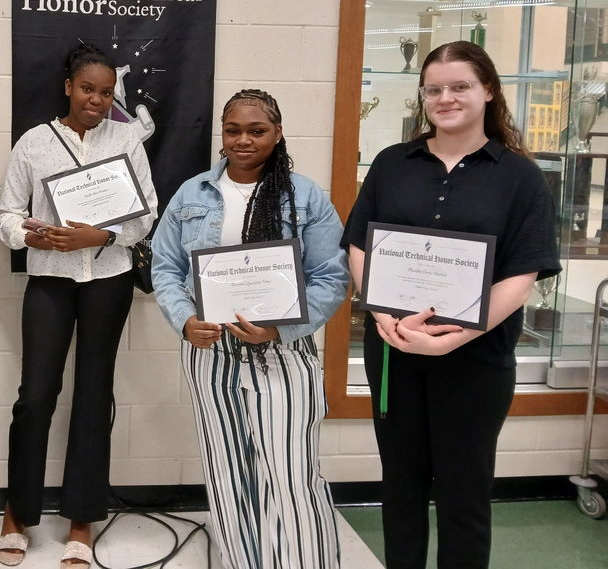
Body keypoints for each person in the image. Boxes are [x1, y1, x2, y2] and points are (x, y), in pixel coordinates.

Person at [342, 41, 560, 569]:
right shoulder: (393, 163)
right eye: (434, 89)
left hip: (477, 358)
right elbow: (360, 245)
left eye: (460, 86)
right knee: (401, 487)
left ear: (489, 91)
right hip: (394, 350)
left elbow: (523, 274)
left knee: (465, 495)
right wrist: (383, 315)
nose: (446, 98)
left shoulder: (520, 177)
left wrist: (457, 337)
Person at [151, 88, 347, 569]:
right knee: (227, 472)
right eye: (233, 130)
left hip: (282, 353)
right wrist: (185, 321)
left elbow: (331, 276)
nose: (243, 140)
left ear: (277, 134)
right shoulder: (192, 194)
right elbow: (165, 267)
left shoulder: (305, 195)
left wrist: (279, 330)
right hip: (211, 352)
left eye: (256, 131)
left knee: (291, 474)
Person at [0, 43, 157, 569]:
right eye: (88, 89)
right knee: (35, 395)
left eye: (106, 93)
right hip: (50, 280)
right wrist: (31, 237)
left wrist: (101, 234)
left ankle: (83, 518)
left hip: (108, 280)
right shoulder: (34, 143)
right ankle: (18, 510)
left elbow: (146, 214)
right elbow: (7, 213)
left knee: (94, 393)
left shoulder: (126, 138)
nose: (97, 100)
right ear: (69, 87)